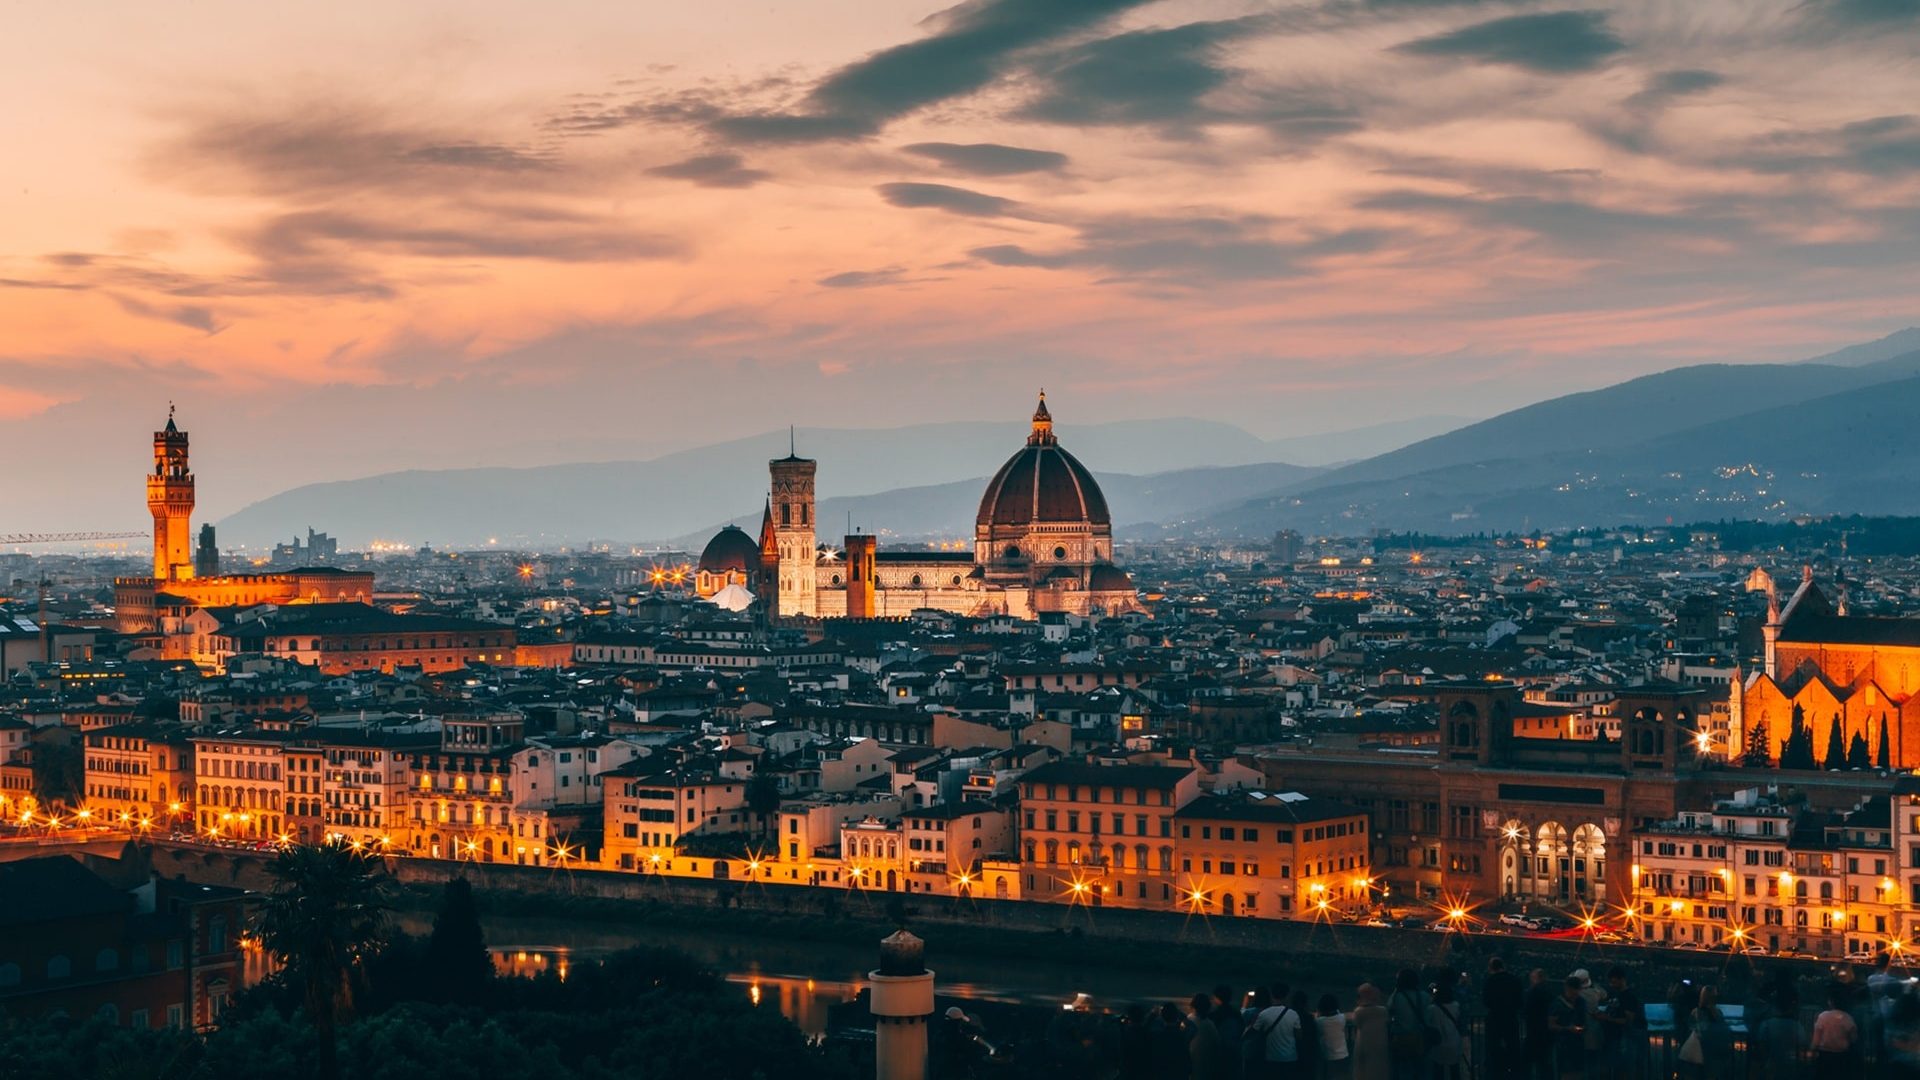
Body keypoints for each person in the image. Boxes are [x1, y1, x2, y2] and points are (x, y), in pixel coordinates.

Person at [1595, 967, 1644, 1080]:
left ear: (1622, 979)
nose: (1611, 984)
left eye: (1614, 982)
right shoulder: (1616, 994)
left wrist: (1606, 1018)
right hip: (1613, 1038)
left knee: (1621, 1069)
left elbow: (1628, 1020)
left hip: (1621, 1040)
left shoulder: (1629, 997)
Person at [1750, 987, 1807, 1080]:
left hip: (1771, 1067)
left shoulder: (1766, 1024)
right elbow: (1802, 1047)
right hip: (1790, 1069)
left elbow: (1761, 1045)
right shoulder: (1797, 1026)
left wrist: (1765, 1062)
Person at [1483, 957, 1525, 1080]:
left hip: (1495, 1019)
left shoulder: (1490, 981)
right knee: (1513, 1047)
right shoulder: (1515, 980)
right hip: (1511, 1018)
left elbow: (1486, 1001)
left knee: (1493, 1048)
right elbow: (1520, 1002)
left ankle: (1495, 1073)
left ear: (1491, 968)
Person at [1389, 969, 1434, 1080]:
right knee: (1420, 1070)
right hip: (1419, 1038)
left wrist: (1396, 989)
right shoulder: (1424, 996)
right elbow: (1429, 1016)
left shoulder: (1397, 997)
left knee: (1400, 1071)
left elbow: (1389, 1008)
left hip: (1400, 1038)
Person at [1257, 982, 1305, 1080]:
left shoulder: (1264, 1014)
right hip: (1290, 1057)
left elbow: (1255, 1032)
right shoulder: (1293, 1014)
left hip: (1271, 1057)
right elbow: (1299, 1036)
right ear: (1287, 996)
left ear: (1271, 995)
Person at [1812, 985, 1861, 1080]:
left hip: (1824, 1056)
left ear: (1831, 1002)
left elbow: (1816, 1040)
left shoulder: (1823, 1016)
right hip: (1841, 1057)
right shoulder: (1848, 1018)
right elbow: (1854, 1039)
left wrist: (1812, 1050)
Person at [1427, 981, 1469, 1080]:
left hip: (1438, 1043)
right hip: (1454, 1041)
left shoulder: (1431, 1008)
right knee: (1455, 1070)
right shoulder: (1456, 1005)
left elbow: (1428, 1023)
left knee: (1438, 1071)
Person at [1548, 974, 1587, 1080]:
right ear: (1567, 988)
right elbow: (1551, 1025)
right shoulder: (1557, 1004)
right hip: (1564, 1044)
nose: (1575, 994)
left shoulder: (1581, 1002)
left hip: (1578, 1043)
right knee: (1567, 1072)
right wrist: (1567, 1029)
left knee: (1579, 1072)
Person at [1352, 983, 1392, 1080]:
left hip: (1363, 1041)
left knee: (1363, 1067)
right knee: (1379, 1066)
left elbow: (1357, 1024)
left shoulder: (1358, 1011)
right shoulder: (1383, 1010)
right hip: (1380, 1041)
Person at [1193, 992, 1229, 1080]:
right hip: (1206, 1063)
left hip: (1192, 1061)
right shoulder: (1210, 1024)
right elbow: (1217, 1044)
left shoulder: (1189, 1020)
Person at [1155, 1001, 1194, 1080]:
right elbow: (1193, 1028)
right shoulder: (1182, 1035)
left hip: (1164, 1073)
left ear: (1162, 1017)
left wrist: (1152, 1015)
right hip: (1180, 1072)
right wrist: (1182, 1015)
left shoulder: (1158, 1035)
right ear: (1176, 1016)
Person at [1320, 993, 1354, 1080]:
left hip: (1327, 1056)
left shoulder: (1319, 1022)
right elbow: (1339, 1014)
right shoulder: (1341, 1018)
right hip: (1343, 1055)